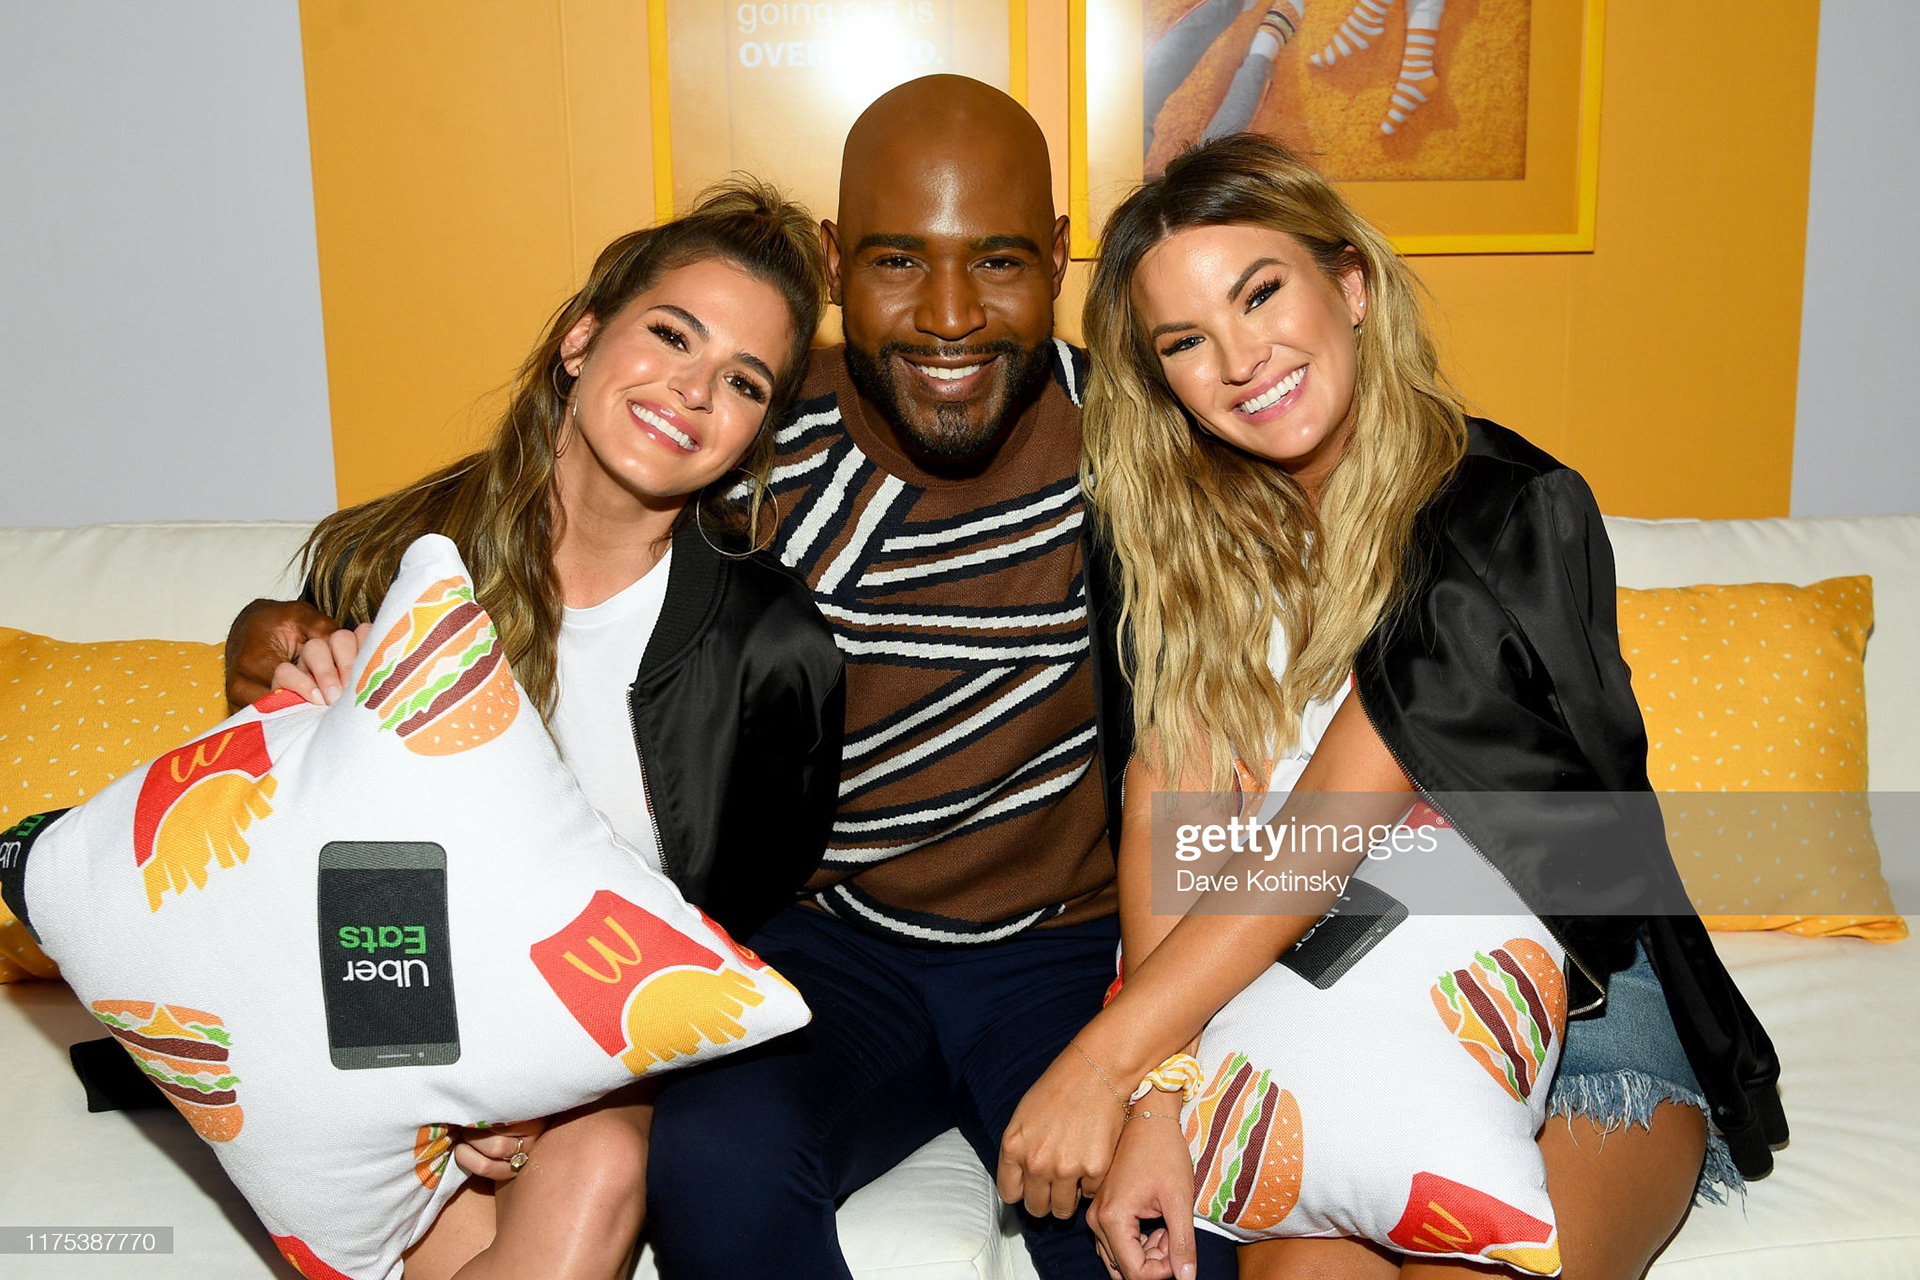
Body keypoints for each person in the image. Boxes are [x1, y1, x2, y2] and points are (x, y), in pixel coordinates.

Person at [230, 75, 1217, 1280]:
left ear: (1061, 256)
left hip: (1060, 955)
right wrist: (278, 632)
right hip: (824, 947)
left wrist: (1135, 1054)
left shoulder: (1148, 449)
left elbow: (1229, 754)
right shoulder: (739, 419)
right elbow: (487, 530)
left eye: (1000, 261)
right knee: (707, 1161)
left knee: (1170, 1246)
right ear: (836, 257)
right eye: (899, 261)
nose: (949, 315)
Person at [996, 134, 1785, 1280]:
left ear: (1350, 285)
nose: (1240, 357)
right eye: (1185, 340)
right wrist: (1162, 1097)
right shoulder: (1181, 545)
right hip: (1300, 1004)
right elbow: (1172, 805)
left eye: (1261, 292)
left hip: (1583, 1007)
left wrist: (1098, 1063)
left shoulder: (1504, 512)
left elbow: (1326, 828)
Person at [249, 182, 846, 1280]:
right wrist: (442, 1073)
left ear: (762, 426)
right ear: (581, 338)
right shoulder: (392, 563)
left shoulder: (778, 648)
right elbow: (310, 862)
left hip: (600, 1058)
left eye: (743, 380)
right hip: (388, 1017)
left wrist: (545, 1085)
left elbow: (736, 933)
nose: (693, 390)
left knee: (602, 1167)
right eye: (672, 334)